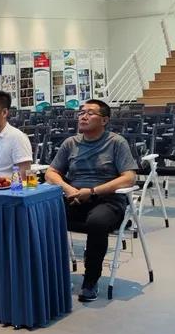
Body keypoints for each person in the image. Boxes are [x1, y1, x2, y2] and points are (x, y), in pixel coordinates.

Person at [44, 99, 138, 302]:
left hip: (108, 200)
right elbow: (51, 173)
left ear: (104, 120)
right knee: (42, 215)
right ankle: (51, 272)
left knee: (97, 222)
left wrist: (93, 191)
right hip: (75, 198)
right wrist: (69, 189)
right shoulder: (71, 143)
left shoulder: (116, 142)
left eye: (90, 113)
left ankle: (90, 280)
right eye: (81, 113)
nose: (83, 117)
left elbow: (129, 177)